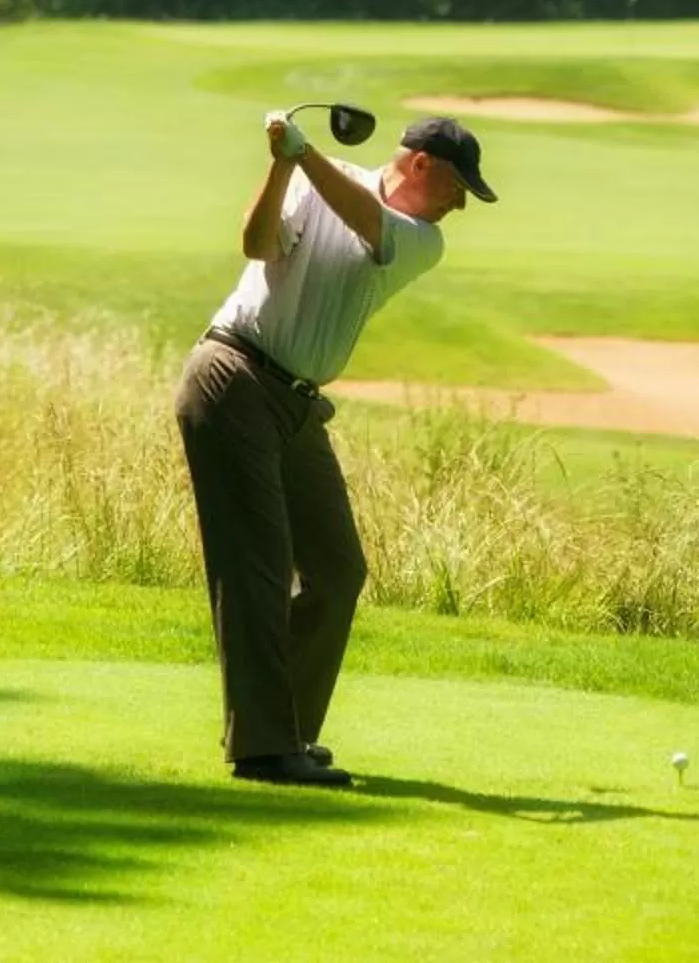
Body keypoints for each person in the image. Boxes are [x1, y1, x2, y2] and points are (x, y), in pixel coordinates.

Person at [174, 110, 496, 788]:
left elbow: (366, 223)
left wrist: (304, 151)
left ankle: (284, 729)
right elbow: (257, 245)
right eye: (457, 186)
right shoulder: (315, 180)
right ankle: (265, 749)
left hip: (294, 402)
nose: (460, 203)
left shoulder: (420, 238)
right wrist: (283, 163)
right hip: (232, 375)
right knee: (258, 569)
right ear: (419, 165)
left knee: (337, 569)